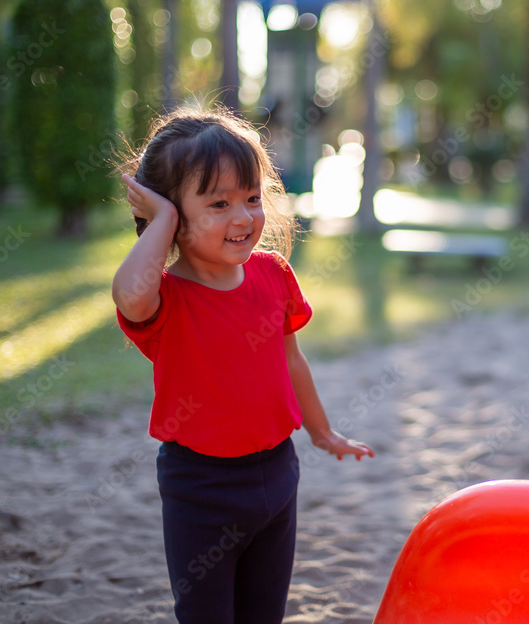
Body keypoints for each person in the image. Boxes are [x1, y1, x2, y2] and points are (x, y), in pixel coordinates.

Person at [112, 106, 374, 623]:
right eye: (218, 203)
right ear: (169, 215)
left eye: (251, 198)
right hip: (201, 489)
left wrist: (321, 432)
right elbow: (128, 295)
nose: (243, 217)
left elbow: (291, 360)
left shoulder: (273, 274)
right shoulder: (167, 299)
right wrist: (161, 221)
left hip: (278, 474)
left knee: (264, 614)